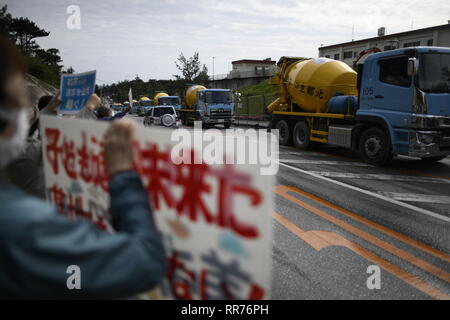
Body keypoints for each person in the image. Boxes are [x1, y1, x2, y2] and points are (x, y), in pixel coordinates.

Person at [0, 36, 167, 299]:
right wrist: (123, 173)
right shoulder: (22, 225)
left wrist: (49, 115)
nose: (23, 108)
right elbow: (145, 262)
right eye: (17, 100)